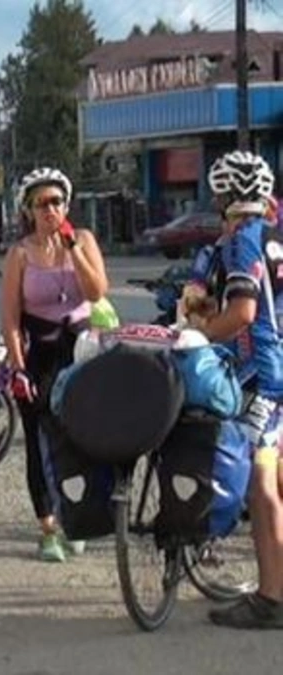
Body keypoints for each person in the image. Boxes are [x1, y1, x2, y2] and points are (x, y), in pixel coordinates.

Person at [0, 167, 108, 563]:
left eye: (57, 202)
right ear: (28, 209)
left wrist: (72, 249)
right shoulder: (20, 254)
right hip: (40, 355)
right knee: (40, 440)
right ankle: (47, 526)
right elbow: (10, 318)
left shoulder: (82, 240)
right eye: (42, 203)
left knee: (81, 438)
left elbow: (97, 291)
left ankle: (77, 517)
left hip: (79, 350)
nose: (51, 210)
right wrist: (18, 367)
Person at [195, 151, 283, 630]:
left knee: (258, 486)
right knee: (270, 483)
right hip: (280, 371)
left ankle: (270, 598)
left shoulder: (242, 243)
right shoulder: (275, 237)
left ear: (227, 196)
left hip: (262, 376)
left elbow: (243, 314)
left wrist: (200, 332)